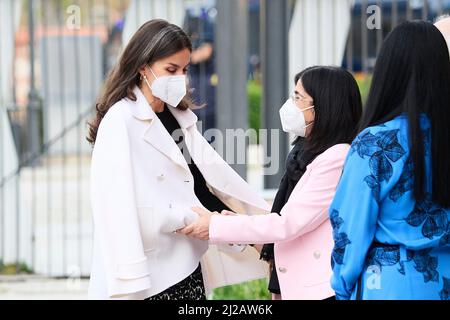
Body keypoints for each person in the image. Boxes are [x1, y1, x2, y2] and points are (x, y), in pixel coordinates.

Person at [87, 19, 269, 300]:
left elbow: (200, 187)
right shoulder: (120, 120)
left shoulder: (179, 117)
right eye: (171, 70)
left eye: (184, 70)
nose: (180, 79)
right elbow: (115, 205)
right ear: (141, 67)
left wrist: (250, 235)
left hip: (186, 265)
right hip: (149, 274)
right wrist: (130, 278)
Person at [180, 66, 363, 300]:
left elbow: (288, 224)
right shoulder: (304, 154)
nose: (290, 105)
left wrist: (216, 226)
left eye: (298, 98)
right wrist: (236, 222)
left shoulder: (336, 158)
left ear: (324, 106)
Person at [328, 21, 450, 300]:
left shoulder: (376, 143)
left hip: (391, 283)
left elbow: (350, 227)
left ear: (388, 71)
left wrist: (342, 287)